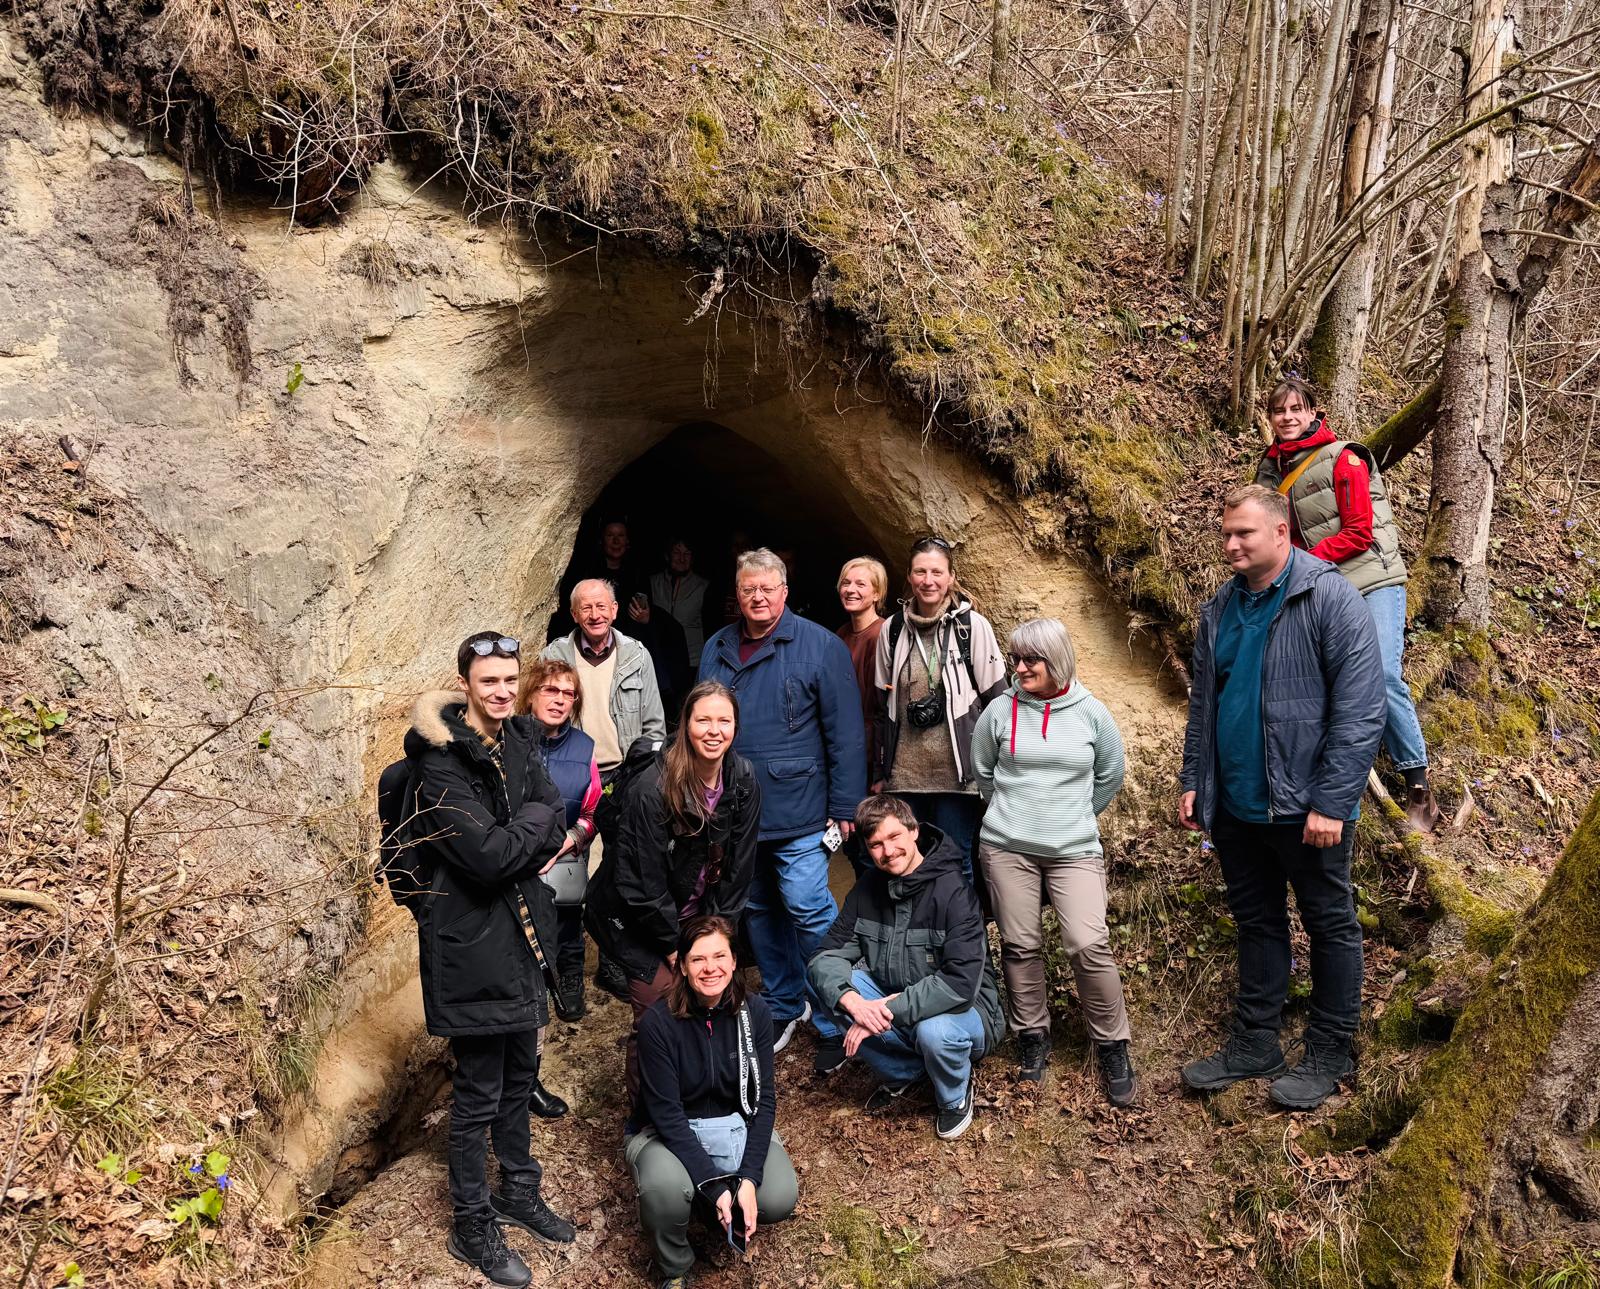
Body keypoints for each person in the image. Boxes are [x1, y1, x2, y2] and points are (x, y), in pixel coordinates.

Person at [1178, 486, 1386, 1111]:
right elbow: (1204, 705)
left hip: (1307, 807)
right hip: (1239, 804)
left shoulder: (1328, 597)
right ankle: (1256, 1042)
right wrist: (1195, 781)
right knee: (1257, 921)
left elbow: (1361, 708)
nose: (1231, 544)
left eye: (1243, 533)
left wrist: (1333, 799)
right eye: (1226, 534)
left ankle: (1330, 1049)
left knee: (1329, 924)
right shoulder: (1221, 608)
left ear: (1280, 532)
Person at [401, 632, 576, 1287]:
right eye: (489, 681)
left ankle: (518, 1192)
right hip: (471, 945)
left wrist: (526, 827)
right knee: (477, 1093)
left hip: (524, 934)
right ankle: (471, 1222)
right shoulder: (439, 764)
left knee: (520, 1070)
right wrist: (528, 828)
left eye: (510, 679)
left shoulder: (521, 740)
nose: (501, 690)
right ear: (465, 683)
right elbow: (489, 856)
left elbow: (553, 813)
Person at [1253, 377, 1441, 833]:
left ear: (1315, 413)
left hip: (1372, 583)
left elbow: (1360, 532)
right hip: (1320, 589)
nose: (1288, 417)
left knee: (1379, 674)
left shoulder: (1346, 458)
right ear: (1270, 419)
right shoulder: (1271, 470)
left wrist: (1297, 564)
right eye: (1280, 411)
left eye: (1297, 408)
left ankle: (1418, 784)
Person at [698, 548, 867, 1054]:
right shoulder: (717, 646)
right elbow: (702, 721)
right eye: (748, 589)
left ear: (784, 593)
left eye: (767, 588)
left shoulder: (819, 645)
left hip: (802, 808)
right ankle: (785, 1002)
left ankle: (840, 1006)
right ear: (738, 593)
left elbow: (846, 735)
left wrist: (846, 806)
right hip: (734, 810)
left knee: (807, 905)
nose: (757, 597)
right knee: (757, 908)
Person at [970, 618, 1135, 1103]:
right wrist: (1015, 815)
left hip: (1074, 851)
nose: (1019, 668)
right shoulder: (999, 712)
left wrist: (1069, 817)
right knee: (1020, 945)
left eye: (1030, 660)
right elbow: (984, 773)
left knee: (1088, 943)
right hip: (1007, 848)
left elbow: (1110, 773)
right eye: (1015, 659)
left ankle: (1112, 1043)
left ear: (1056, 661)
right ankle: (1032, 1036)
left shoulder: (1092, 713)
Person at [585, 682, 761, 1099]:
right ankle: (649, 1117)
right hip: (636, 918)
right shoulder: (653, 788)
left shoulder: (743, 779)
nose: (714, 730)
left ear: (736, 726)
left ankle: (706, 1097)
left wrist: (719, 940)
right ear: (685, 725)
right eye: (703, 720)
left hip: (698, 912)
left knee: (715, 994)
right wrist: (674, 948)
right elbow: (641, 884)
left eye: (724, 720)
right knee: (662, 1009)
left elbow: (739, 868)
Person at [808, 795, 1005, 1140]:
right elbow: (825, 958)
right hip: (896, 1000)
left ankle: (953, 1096)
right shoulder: (868, 889)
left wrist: (884, 1010)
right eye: (876, 845)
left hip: (966, 1013)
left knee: (935, 1032)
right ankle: (906, 1072)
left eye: (894, 837)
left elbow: (958, 985)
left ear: (914, 830)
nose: (888, 852)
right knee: (835, 988)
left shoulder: (954, 891)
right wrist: (854, 1002)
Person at [629, 916, 798, 1289]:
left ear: (735, 960)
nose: (711, 968)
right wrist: (715, 1184)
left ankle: (712, 1204)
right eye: (698, 959)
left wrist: (750, 1178)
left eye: (719, 956)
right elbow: (666, 1115)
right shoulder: (657, 1023)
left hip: (735, 1124)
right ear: (682, 966)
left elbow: (764, 1100)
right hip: (669, 1133)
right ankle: (674, 1267)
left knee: (780, 1195)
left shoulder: (755, 1012)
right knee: (664, 1192)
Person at [543, 579, 667, 1001]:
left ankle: (616, 960)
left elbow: (654, 726)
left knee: (622, 872)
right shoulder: (555, 655)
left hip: (622, 775)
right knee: (568, 874)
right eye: (585, 608)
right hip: (572, 774)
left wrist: (643, 775)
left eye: (602, 606)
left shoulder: (636, 655)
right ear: (574, 614)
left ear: (615, 610)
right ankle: (569, 970)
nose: (595, 615)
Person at [874, 537, 1007, 883]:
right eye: (920, 571)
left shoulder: (971, 627)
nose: (928, 580)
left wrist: (995, 768)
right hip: (904, 778)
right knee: (905, 865)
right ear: (909, 576)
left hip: (958, 777)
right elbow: (880, 705)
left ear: (950, 578)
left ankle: (960, 936)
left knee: (954, 859)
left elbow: (999, 701)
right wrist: (879, 770)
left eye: (937, 572)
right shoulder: (892, 630)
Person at [516, 658, 602, 1031]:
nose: (560, 700)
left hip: (565, 858)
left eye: (568, 694)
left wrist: (568, 841)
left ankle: (569, 981)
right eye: (550, 690)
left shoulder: (585, 749)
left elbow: (594, 810)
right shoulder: (508, 741)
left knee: (568, 923)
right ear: (531, 694)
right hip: (517, 856)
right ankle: (528, 991)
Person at [836, 556, 888, 785]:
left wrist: (879, 770)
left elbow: (882, 709)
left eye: (860, 584)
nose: (850, 590)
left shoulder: (881, 634)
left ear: (877, 594)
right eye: (846, 583)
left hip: (868, 752)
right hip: (846, 743)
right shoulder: (841, 633)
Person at [651, 537, 710, 664]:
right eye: (677, 553)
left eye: (687, 554)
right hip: (660, 657)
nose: (682, 559)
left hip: (692, 660)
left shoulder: (704, 586)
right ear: (667, 556)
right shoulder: (653, 583)